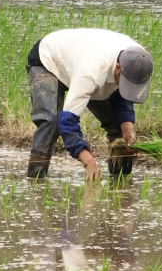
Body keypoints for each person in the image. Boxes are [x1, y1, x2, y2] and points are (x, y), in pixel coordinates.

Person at [25, 28, 154, 181]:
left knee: (119, 127)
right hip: (49, 61)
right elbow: (67, 121)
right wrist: (87, 159)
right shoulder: (91, 73)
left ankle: (121, 182)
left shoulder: (140, 60)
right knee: (51, 123)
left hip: (82, 60)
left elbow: (124, 94)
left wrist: (127, 126)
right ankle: (36, 180)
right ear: (118, 68)